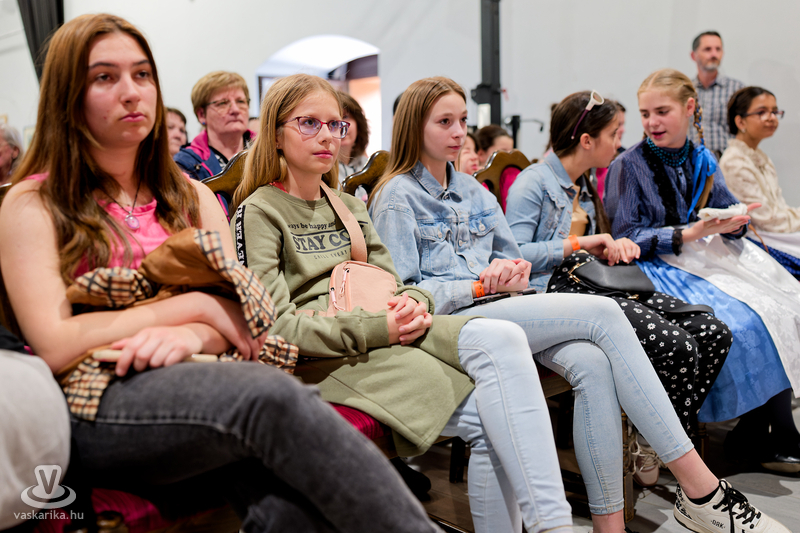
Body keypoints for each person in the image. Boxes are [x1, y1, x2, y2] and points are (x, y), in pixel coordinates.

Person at [0, 14, 442, 533]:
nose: (131, 92)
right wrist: (196, 307)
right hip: (98, 398)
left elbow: (251, 320)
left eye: (142, 75)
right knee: (273, 398)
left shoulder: (190, 195)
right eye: (104, 77)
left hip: (204, 370)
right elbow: (55, 344)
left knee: (288, 495)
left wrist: (192, 333)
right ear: (67, 96)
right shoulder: (34, 202)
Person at [368, 76, 788, 533]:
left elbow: (514, 258)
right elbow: (405, 292)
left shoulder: (474, 191)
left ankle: (611, 528)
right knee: (605, 314)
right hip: (455, 319)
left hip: (504, 304)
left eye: (463, 120)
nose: (458, 132)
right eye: (444, 122)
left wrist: (510, 272)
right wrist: (479, 286)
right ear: (414, 126)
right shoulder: (397, 196)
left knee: (594, 363)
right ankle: (703, 490)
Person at [231, 73, 574, 533]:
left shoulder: (348, 206)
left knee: (505, 339)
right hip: (325, 357)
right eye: (309, 123)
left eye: (336, 125)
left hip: (383, 331)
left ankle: (553, 524)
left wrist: (413, 300)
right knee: (492, 420)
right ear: (275, 134)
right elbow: (275, 329)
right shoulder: (259, 212)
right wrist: (384, 325)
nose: (328, 136)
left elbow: (396, 281)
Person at [505, 91, 731, 454]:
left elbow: (596, 244)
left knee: (712, 332)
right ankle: (662, 446)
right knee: (677, 344)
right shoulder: (533, 182)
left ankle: (656, 442)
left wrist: (612, 245)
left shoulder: (584, 182)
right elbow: (514, 256)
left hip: (591, 280)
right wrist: (582, 243)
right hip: (553, 291)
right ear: (587, 140)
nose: (618, 143)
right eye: (613, 134)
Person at [605, 68, 800, 474]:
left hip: (706, 256)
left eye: (662, 111)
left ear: (689, 107)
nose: (652, 122)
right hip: (658, 267)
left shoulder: (702, 157)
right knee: (746, 321)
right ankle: (761, 432)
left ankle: (763, 429)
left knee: (784, 305)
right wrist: (689, 232)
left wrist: (737, 221)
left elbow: (727, 208)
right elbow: (625, 237)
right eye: (645, 114)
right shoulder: (629, 164)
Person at [720, 86, 800, 278]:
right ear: (740, 121)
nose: (771, 118)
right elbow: (767, 220)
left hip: (776, 235)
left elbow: (778, 207)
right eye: (762, 112)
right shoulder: (734, 161)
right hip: (758, 243)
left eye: (774, 112)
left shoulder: (759, 156)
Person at [174, 71, 255, 181]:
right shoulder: (185, 163)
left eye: (241, 101)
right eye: (222, 103)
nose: (235, 110)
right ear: (202, 115)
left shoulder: (269, 150)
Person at [689, 31, 744, 158]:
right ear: (693, 55)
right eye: (707, 49)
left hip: (728, 161)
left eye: (718, 49)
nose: (714, 54)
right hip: (691, 162)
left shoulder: (737, 89)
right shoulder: (684, 90)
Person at [337, 91, 370, 181]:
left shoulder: (368, 165)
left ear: (358, 124)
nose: (341, 126)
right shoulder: (322, 171)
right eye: (335, 121)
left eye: (345, 117)